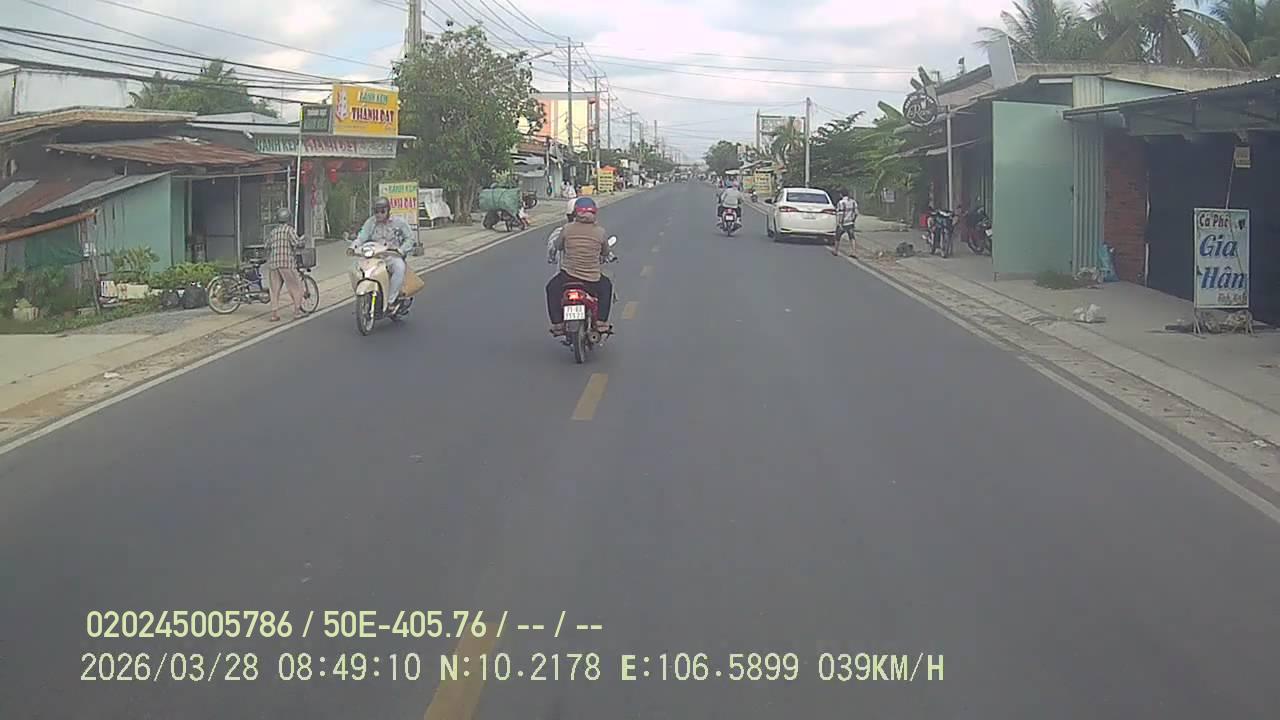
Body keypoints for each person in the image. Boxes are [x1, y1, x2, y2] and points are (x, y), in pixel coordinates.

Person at [546, 196, 613, 336]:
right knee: (607, 287)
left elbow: (558, 246)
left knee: (551, 288)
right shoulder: (600, 232)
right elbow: (605, 252)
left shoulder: (567, 229)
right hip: (592, 280)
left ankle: (558, 324)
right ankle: (601, 322)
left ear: (575, 212)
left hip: (568, 277)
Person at [350, 196, 415, 304]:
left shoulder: (399, 222)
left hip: (391, 255)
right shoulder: (370, 222)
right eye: (376, 211)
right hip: (373, 257)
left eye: (382, 211)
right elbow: (361, 237)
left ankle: (390, 300)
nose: (379, 214)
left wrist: (401, 250)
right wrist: (353, 247)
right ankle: (363, 294)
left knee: (399, 267)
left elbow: (410, 238)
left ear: (388, 211)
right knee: (354, 268)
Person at [265, 207, 305, 321]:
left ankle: (274, 314)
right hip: (286, 263)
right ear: (288, 218)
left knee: (274, 290)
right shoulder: (289, 230)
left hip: (274, 263)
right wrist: (302, 240)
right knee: (295, 286)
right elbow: (296, 243)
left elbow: (267, 245)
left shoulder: (273, 232)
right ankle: (297, 312)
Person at [833, 189, 859, 257]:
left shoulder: (841, 203)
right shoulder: (853, 202)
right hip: (850, 223)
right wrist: (853, 220)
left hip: (843, 223)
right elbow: (856, 213)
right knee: (852, 237)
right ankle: (854, 252)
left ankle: (836, 251)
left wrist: (839, 223)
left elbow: (840, 214)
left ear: (841, 194)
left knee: (837, 237)